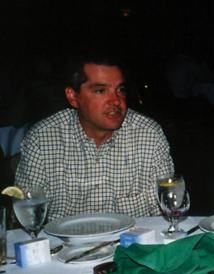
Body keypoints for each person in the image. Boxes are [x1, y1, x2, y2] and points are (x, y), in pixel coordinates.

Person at [15, 54, 174, 221]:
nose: (116, 101)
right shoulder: (43, 139)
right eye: (100, 91)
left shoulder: (148, 134)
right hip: (63, 238)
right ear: (73, 97)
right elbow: (28, 212)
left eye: (120, 90)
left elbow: (165, 211)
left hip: (132, 237)